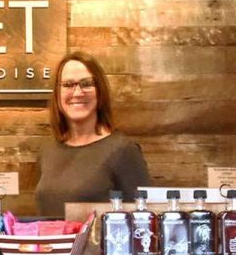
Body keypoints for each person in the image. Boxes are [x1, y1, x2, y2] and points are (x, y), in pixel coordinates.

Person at [36, 51, 150, 215]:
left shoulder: (123, 151)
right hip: (50, 241)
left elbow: (141, 221)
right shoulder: (47, 150)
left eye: (86, 84)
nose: (77, 93)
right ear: (57, 93)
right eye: (68, 85)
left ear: (100, 91)